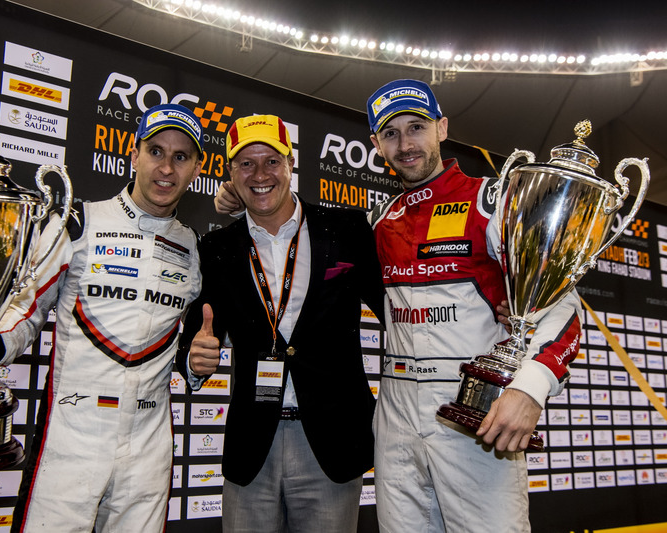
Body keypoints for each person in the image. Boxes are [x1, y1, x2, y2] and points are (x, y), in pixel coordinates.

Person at [0, 103, 205, 533]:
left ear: (196, 168)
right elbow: (25, 308)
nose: (166, 168)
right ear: (133, 154)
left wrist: (195, 367)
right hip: (73, 434)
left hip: (149, 441)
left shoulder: (194, 247)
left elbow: (189, 343)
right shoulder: (79, 221)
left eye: (181, 157)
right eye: (156, 151)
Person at [365, 79, 582, 532]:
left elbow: (561, 303)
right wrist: (235, 205)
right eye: (391, 134)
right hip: (395, 419)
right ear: (376, 145)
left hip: (475, 415)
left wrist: (529, 390)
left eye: (416, 127)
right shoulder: (379, 220)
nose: (405, 144)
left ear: (442, 128)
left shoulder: (491, 200)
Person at [177, 114, 385, 532]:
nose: (260, 174)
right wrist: (192, 361)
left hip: (332, 443)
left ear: (290, 164)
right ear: (230, 173)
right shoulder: (216, 248)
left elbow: (397, 305)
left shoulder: (346, 230)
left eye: (271, 161)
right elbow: (197, 335)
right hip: (253, 444)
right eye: (246, 164)